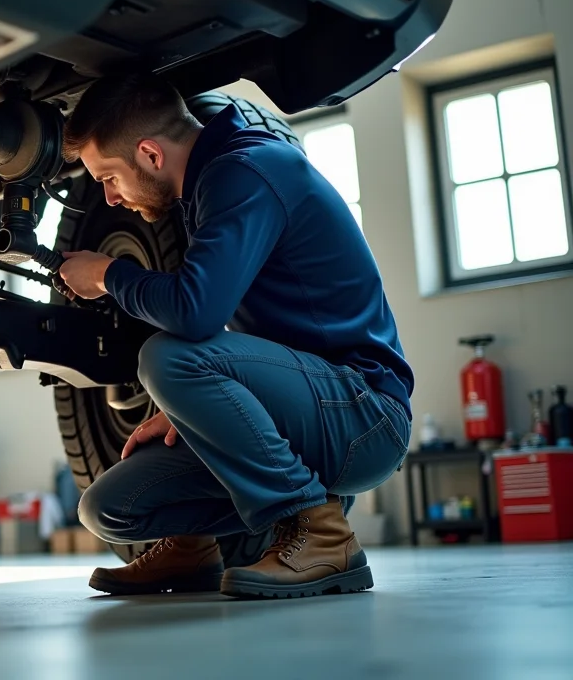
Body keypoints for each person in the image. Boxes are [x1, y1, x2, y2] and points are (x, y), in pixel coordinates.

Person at [56, 71, 413, 599]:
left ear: (151, 154)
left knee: (166, 358)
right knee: (108, 508)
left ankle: (320, 532)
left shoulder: (247, 171)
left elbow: (195, 314)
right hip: (306, 407)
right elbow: (227, 328)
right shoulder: (213, 182)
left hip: (363, 413)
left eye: (109, 177)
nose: (108, 198)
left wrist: (106, 274)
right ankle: (195, 549)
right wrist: (189, 411)